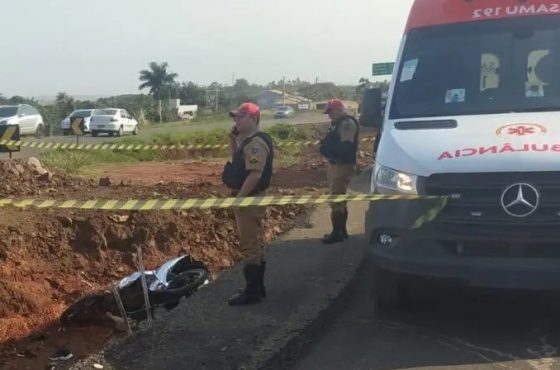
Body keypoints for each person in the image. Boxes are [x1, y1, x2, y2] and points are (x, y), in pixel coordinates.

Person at [222, 102, 274, 305]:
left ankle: (252, 292)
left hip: (250, 198)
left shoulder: (255, 143)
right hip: (250, 196)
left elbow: (255, 174)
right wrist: (232, 140)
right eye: (235, 117)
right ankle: (258, 288)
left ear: (252, 118)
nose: (236, 121)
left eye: (240, 117)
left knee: (249, 245)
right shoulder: (247, 141)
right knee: (255, 243)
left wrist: (240, 198)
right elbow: (237, 162)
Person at [319, 99, 359, 244]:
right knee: (339, 199)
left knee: (337, 199)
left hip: (342, 165)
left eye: (331, 112)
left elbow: (346, 146)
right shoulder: (338, 124)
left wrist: (328, 149)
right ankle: (341, 231)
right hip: (336, 164)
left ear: (339, 110)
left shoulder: (347, 124)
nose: (329, 115)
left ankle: (337, 233)